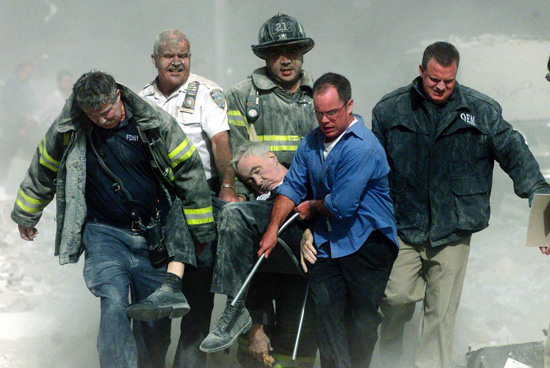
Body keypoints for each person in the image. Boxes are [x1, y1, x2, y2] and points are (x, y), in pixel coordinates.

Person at [11, 71, 215, 368]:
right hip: (104, 234)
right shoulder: (70, 128)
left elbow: (189, 171)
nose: (103, 120)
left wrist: (200, 230)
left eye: (107, 112)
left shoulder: (153, 123)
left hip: (153, 238)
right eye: (94, 116)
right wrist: (27, 212)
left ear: (118, 95)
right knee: (114, 301)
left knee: (153, 324)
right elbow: (44, 166)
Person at [372, 41, 550, 368]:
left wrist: (542, 211)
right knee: (395, 298)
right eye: (434, 79)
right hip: (403, 227)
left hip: (453, 229)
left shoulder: (480, 110)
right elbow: (372, 172)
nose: (441, 87)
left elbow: (518, 156)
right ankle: (392, 347)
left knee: (440, 315)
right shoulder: (390, 110)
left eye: (449, 81)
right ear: (421, 72)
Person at [259, 72, 398, 368]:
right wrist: (272, 230)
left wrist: (310, 206)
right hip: (326, 244)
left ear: (349, 106)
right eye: (319, 113)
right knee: (327, 318)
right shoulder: (311, 143)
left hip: (368, 244)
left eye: (332, 112)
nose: (325, 120)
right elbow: (292, 186)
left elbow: (343, 205)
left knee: (360, 323)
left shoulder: (363, 146)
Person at [208, 13, 319, 367]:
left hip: (307, 210)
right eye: (275, 53)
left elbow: (331, 161)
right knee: (232, 215)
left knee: (298, 321)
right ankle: (238, 311)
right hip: (260, 211)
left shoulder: (319, 96)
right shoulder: (241, 96)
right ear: (264, 57)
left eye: (292, 51)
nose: (285, 59)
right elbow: (239, 160)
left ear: (303, 53)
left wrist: (313, 220)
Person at [130, 28, 238, 368]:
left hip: (198, 204)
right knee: (153, 298)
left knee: (196, 302)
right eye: (168, 56)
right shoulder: (140, 98)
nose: (177, 62)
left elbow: (221, 143)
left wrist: (227, 187)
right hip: (154, 207)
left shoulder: (208, 93)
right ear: (154, 59)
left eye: (184, 55)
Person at [199, 141, 316, 367]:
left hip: (302, 282)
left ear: (272, 157)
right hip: (263, 289)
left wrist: (313, 230)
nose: (258, 182)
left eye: (257, 171)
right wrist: (255, 324)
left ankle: (238, 315)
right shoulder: (253, 207)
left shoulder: (306, 176)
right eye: (250, 180)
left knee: (294, 355)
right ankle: (238, 314)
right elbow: (250, 271)